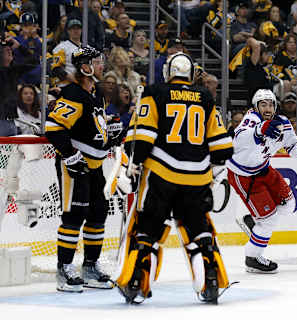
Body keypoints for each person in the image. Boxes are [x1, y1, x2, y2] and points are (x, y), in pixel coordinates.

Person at [115, 52, 234, 304]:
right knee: (199, 230)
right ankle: (209, 281)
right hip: (198, 177)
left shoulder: (154, 92)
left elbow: (142, 136)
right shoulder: (205, 96)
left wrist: (132, 165)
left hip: (161, 174)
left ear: (168, 72)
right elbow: (222, 145)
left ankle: (136, 281)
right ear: (190, 73)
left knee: (147, 228)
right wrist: (216, 170)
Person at [45, 47, 121, 293]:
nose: (101, 66)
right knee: (74, 216)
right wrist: (69, 155)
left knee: (98, 214)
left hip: (96, 166)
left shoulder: (96, 93)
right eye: (97, 62)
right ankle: (64, 269)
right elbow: (53, 126)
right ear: (85, 67)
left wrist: (111, 131)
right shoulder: (72, 93)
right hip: (75, 166)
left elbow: (91, 128)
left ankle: (90, 266)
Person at [226, 89, 297, 273]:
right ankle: (252, 257)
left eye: (271, 104)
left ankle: (255, 222)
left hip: (264, 169)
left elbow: (292, 146)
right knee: (270, 220)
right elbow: (238, 139)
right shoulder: (251, 119)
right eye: (263, 104)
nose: (267, 108)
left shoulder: (282, 122)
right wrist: (258, 130)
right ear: (256, 106)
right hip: (244, 175)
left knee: (289, 204)